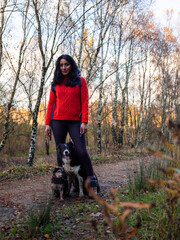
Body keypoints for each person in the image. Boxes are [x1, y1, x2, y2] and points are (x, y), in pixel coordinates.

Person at [45, 54, 97, 183]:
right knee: (60, 152)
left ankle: (91, 177)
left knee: (81, 150)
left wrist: (84, 121)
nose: (64, 67)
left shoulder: (81, 81)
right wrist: (47, 124)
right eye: (61, 65)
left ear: (71, 65)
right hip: (57, 122)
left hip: (75, 122)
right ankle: (62, 181)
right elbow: (51, 104)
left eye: (66, 64)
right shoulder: (55, 83)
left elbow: (85, 103)